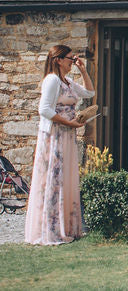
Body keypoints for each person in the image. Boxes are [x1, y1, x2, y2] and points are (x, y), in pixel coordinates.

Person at [24, 45, 94, 245]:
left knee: (66, 177)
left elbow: (89, 92)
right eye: (71, 59)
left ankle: (68, 226)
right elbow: (44, 109)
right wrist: (69, 122)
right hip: (54, 135)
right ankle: (51, 228)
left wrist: (83, 70)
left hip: (67, 136)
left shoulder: (68, 82)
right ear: (58, 60)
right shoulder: (52, 80)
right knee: (54, 178)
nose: (73, 61)